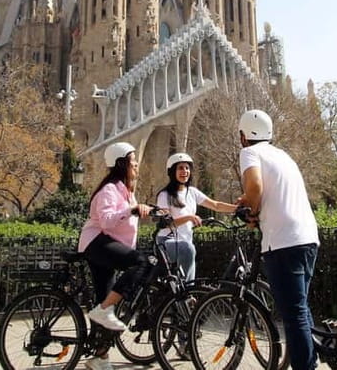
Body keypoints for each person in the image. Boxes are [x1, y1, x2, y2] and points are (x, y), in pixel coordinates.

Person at [236, 109, 320, 370]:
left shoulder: (250, 152)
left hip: (283, 240)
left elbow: (256, 187)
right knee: (301, 308)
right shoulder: (282, 155)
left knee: (293, 315)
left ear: (243, 135)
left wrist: (249, 209)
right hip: (308, 237)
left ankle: (306, 367)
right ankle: (313, 359)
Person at [78, 141, 152, 370]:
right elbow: (108, 219)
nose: (137, 164)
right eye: (133, 161)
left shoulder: (125, 191)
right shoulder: (109, 189)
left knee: (105, 300)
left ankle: (99, 358)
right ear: (122, 164)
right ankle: (102, 310)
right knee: (140, 262)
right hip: (95, 243)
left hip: (106, 245)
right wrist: (131, 209)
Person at [155, 152, 236, 281]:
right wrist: (189, 217)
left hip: (185, 242)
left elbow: (216, 205)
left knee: (189, 249)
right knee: (188, 249)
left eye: (187, 168)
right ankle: (188, 291)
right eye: (180, 168)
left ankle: (186, 292)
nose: (184, 171)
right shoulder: (164, 195)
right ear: (172, 172)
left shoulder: (192, 192)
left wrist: (237, 209)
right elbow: (167, 223)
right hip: (166, 242)